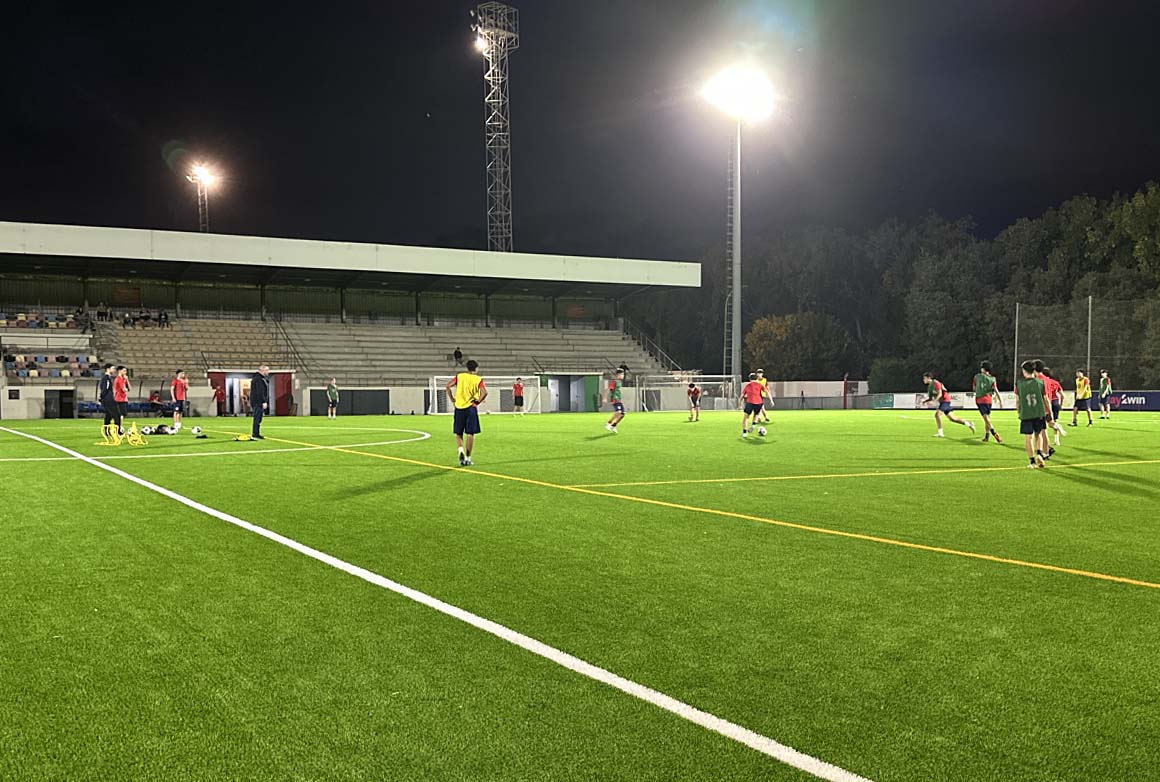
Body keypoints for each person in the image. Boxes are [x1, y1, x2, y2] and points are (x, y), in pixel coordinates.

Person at [444, 359, 486, 466]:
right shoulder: (478, 379)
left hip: (459, 407)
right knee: (470, 433)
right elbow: (484, 392)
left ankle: (460, 450)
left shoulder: (460, 376)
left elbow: (448, 386)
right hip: (470, 408)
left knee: (458, 433)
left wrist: (452, 400)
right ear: (476, 368)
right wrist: (477, 402)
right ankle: (468, 458)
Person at [1016, 360, 1049, 469]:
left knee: (1028, 437)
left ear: (1024, 371)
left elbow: (1017, 400)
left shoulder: (1019, 384)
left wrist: (1018, 411)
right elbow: (1046, 399)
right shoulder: (1040, 382)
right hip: (1039, 412)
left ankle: (1032, 461)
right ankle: (1039, 453)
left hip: (1026, 413)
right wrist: (1049, 412)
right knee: (1038, 434)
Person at [922, 372, 975, 438]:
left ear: (929, 378)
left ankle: (940, 433)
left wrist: (934, 401)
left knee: (937, 414)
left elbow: (940, 394)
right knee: (952, 419)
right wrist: (926, 401)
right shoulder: (929, 387)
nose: (923, 380)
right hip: (942, 402)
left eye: (924, 378)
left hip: (945, 400)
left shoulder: (936, 383)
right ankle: (969, 423)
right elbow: (930, 398)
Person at [1033, 361, 1066, 449]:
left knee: (1041, 429)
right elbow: (1062, 395)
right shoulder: (1053, 382)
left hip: (1044, 404)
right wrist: (1060, 405)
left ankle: (1045, 449)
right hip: (1054, 402)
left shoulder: (1039, 380)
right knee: (1050, 422)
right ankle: (1055, 440)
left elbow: (1043, 395)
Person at [971, 361, 1003, 443]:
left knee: (986, 419)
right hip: (989, 400)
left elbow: (974, 387)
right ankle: (986, 436)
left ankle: (994, 432)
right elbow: (996, 390)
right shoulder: (993, 379)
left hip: (980, 400)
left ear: (983, 368)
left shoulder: (977, 377)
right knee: (987, 418)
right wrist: (1000, 401)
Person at [739, 373, 765, 438]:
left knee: (746, 417)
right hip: (759, 402)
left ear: (749, 379)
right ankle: (753, 426)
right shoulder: (759, 385)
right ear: (756, 379)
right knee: (756, 414)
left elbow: (741, 396)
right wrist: (771, 400)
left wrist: (739, 404)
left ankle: (744, 433)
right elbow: (766, 391)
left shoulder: (748, 386)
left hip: (750, 402)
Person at [98, 363, 120, 435]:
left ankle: (107, 431)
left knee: (108, 415)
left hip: (107, 399)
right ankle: (118, 431)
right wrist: (102, 397)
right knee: (117, 415)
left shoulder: (106, 378)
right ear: (108, 369)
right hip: (108, 399)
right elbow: (105, 389)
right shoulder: (106, 378)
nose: (114, 370)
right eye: (113, 368)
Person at [249, 365, 270, 440]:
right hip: (258, 402)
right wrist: (263, 401)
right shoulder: (259, 379)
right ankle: (255, 434)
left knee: (258, 418)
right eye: (267, 370)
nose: (268, 372)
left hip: (256, 402)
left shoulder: (257, 378)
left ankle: (256, 433)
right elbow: (260, 392)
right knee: (257, 418)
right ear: (262, 370)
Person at [604, 368, 626, 433]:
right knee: (619, 412)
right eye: (622, 374)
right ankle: (608, 423)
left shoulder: (619, 382)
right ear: (618, 375)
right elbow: (608, 389)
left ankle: (613, 426)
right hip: (615, 399)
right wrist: (605, 397)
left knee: (622, 414)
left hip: (619, 399)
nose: (623, 376)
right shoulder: (614, 382)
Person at [113, 366, 131, 434]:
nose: (125, 372)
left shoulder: (123, 379)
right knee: (120, 414)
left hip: (123, 399)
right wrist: (126, 388)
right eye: (124, 371)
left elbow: (129, 388)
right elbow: (124, 389)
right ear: (119, 371)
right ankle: (119, 428)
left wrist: (127, 380)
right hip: (119, 399)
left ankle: (119, 427)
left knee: (122, 414)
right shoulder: (119, 379)